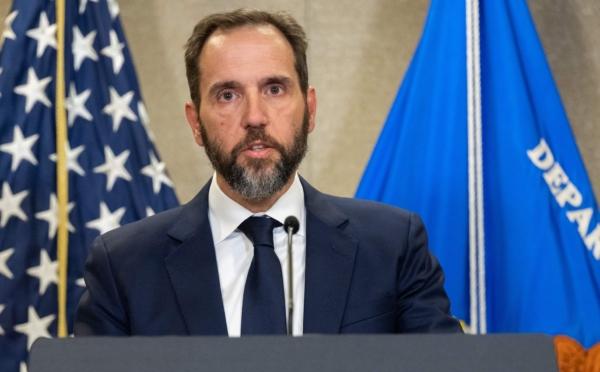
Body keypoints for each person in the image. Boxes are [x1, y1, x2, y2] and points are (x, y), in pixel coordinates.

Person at [74, 9, 462, 336]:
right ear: (195, 123)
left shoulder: (393, 247)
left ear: (308, 109)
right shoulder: (123, 266)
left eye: (275, 89)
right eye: (228, 95)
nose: (255, 117)